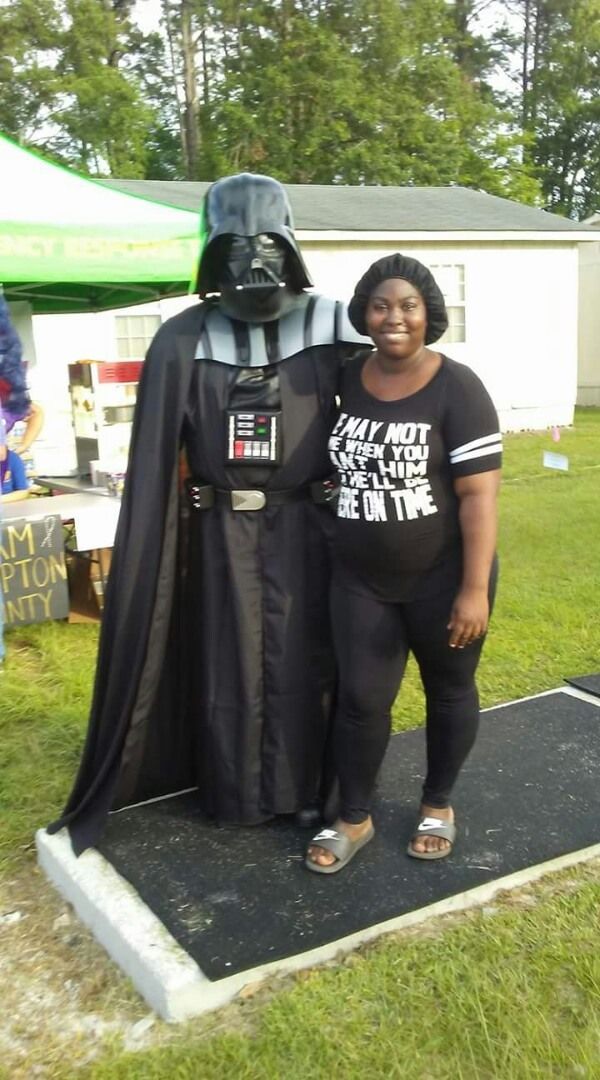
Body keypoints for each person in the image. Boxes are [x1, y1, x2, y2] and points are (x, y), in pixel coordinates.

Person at [49, 173, 366, 855]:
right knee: (230, 657)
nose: (254, 261)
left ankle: (307, 789)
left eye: (267, 244)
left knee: (307, 655)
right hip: (221, 531)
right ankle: (237, 789)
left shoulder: (333, 324)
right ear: (212, 252)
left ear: (290, 245)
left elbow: (378, 418)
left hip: (309, 530)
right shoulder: (183, 336)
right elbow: (159, 453)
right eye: (236, 245)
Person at [306, 253, 502, 874]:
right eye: (381, 305)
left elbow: (479, 496)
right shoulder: (343, 379)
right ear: (364, 314)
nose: (395, 317)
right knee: (361, 700)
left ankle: (437, 804)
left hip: (442, 580)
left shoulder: (458, 387)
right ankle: (354, 816)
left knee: (448, 690)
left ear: (428, 315)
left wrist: (474, 589)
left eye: (408, 306)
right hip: (360, 581)